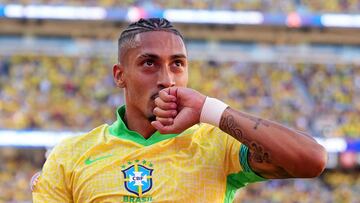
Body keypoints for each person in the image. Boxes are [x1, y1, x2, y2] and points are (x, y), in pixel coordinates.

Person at [32, 18, 327, 203]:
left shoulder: (215, 143)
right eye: (149, 63)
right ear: (120, 75)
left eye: (178, 64)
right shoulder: (69, 156)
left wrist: (210, 110)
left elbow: (312, 160)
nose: (167, 79)